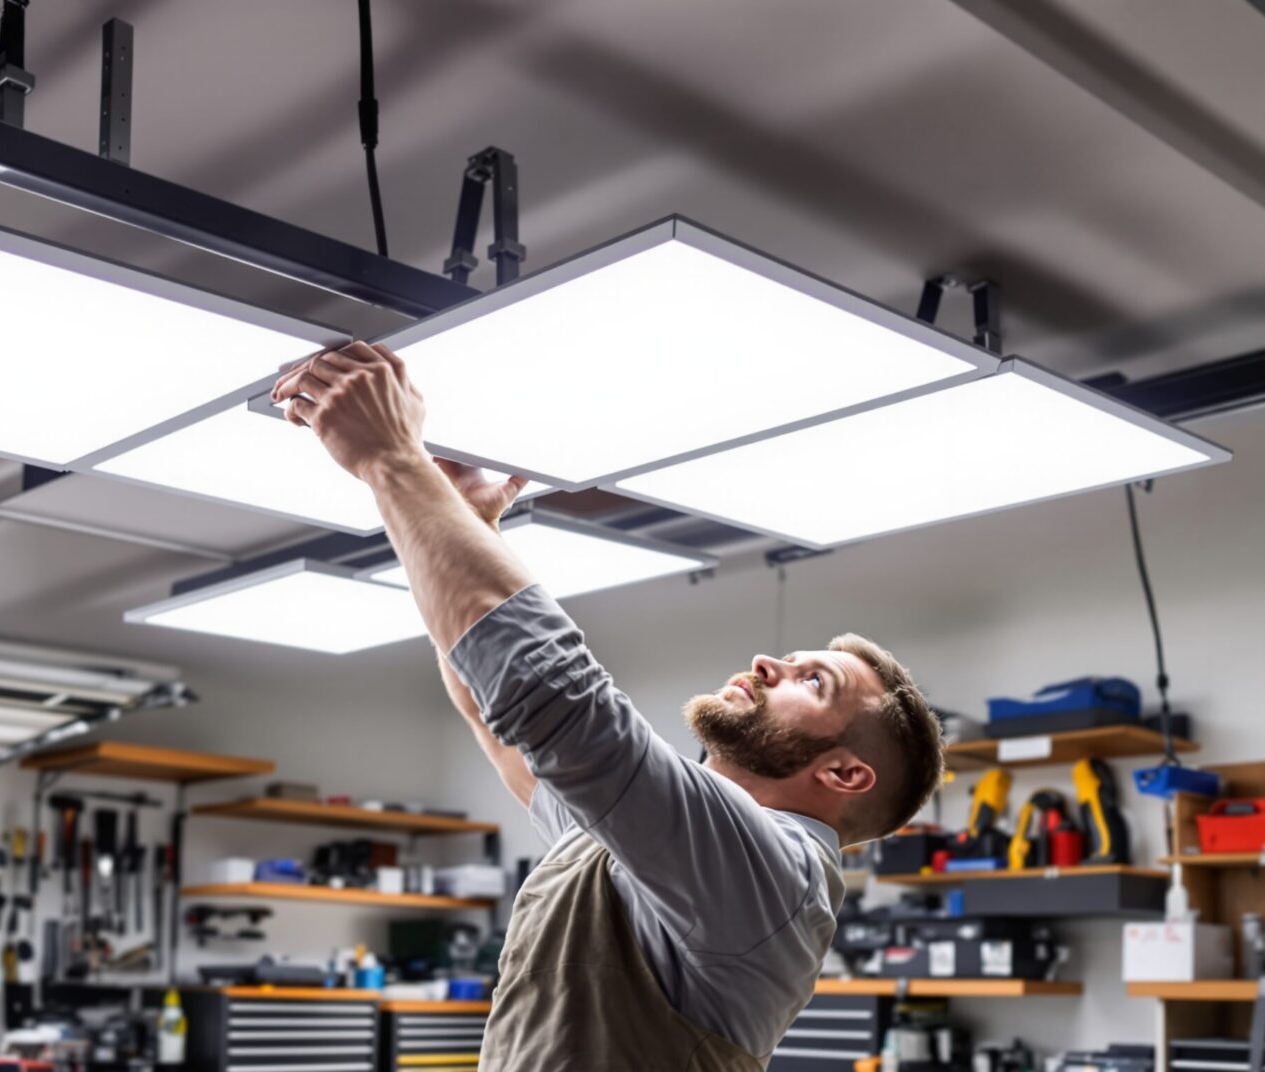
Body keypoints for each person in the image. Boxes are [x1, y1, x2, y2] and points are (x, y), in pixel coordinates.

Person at [272, 343, 947, 1071]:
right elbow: (498, 713)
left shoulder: (774, 873)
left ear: (845, 775)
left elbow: (555, 702)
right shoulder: (652, 847)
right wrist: (464, 522)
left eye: (813, 683)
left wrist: (394, 462)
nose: (767, 663)